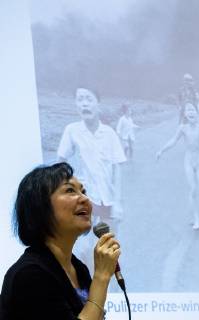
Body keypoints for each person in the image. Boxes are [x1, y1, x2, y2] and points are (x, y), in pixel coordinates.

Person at [0, 162, 121, 319]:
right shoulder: (29, 275)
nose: (85, 198)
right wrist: (101, 276)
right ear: (40, 206)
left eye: (84, 191)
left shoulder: (79, 269)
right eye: (70, 190)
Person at [57, 87, 126, 270]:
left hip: (107, 199)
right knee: (83, 248)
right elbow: (60, 163)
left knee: (107, 249)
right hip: (83, 199)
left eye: (88, 99)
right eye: (80, 99)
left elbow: (118, 168)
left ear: (98, 104)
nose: (84, 103)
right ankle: (84, 293)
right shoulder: (72, 131)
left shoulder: (109, 134)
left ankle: (105, 293)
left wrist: (118, 202)